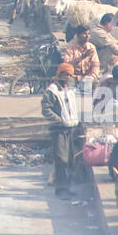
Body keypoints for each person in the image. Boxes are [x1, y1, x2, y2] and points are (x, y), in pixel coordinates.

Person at [41, 64, 81, 198]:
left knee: (69, 160)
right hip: (58, 130)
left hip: (70, 129)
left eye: (71, 75)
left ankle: (67, 188)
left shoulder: (70, 90)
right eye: (67, 75)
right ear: (60, 75)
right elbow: (46, 110)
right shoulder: (52, 91)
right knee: (61, 160)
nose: (69, 77)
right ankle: (61, 189)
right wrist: (59, 120)